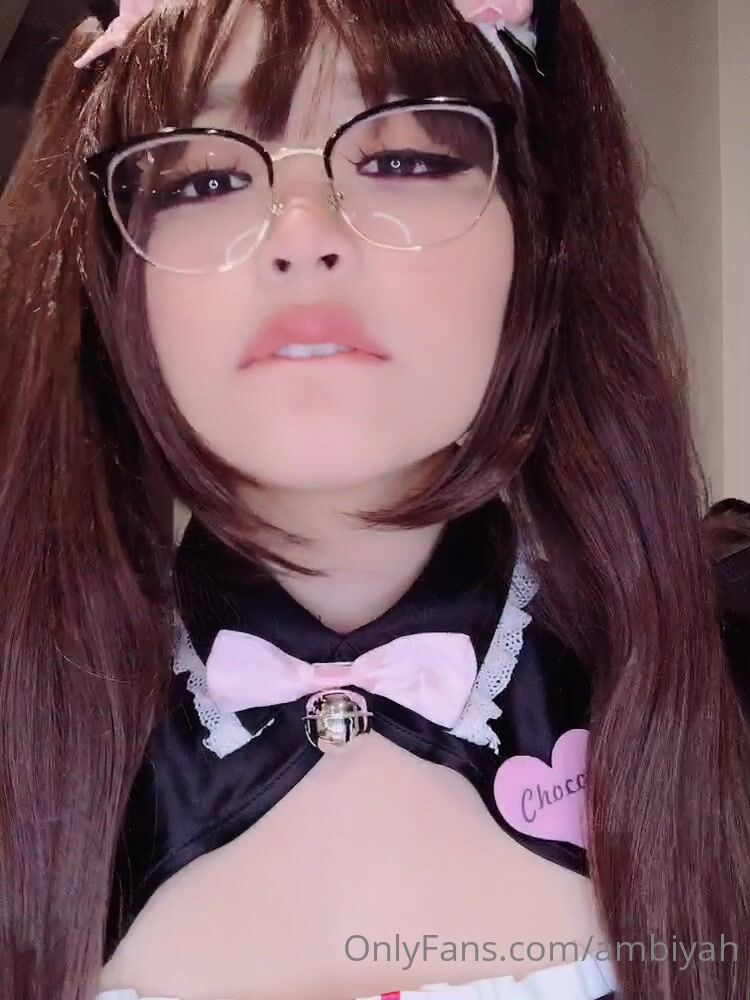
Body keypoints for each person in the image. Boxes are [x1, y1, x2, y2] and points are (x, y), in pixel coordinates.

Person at [0, 1, 748, 999]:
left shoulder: (720, 694)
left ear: (540, 231)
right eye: (206, 177)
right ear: (106, 271)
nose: (303, 232)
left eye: (405, 159)